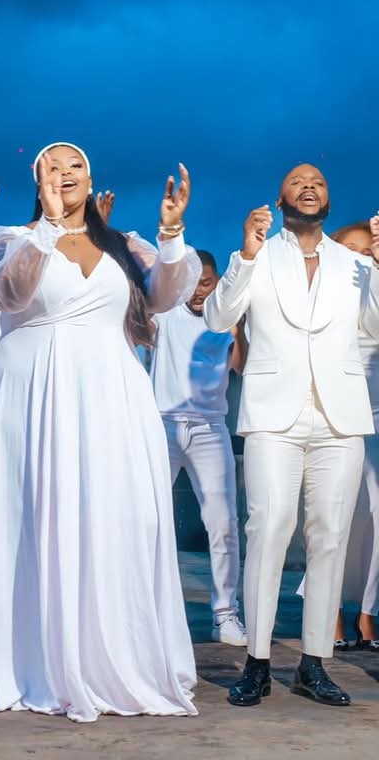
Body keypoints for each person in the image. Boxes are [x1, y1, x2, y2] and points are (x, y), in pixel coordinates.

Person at [0, 141, 201, 723]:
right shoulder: (12, 239)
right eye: (54, 166)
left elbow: (165, 296)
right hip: (30, 392)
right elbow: (9, 293)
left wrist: (172, 233)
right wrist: (47, 227)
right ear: (38, 180)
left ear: (91, 181)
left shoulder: (124, 245)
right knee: (36, 515)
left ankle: (113, 656)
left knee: (120, 516)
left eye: (76, 166)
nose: (65, 173)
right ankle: (38, 661)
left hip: (113, 393)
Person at [204, 164, 379, 708]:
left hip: (339, 416)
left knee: (329, 535)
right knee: (269, 527)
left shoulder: (356, 264)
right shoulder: (256, 257)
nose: (309, 186)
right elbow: (217, 318)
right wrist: (245, 257)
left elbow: (376, 329)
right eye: (298, 181)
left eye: (319, 182)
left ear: (327, 201)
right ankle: (256, 663)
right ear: (279, 200)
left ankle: (313, 664)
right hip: (271, 414)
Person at [149, 249, 247, 645]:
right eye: (191, 283)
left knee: (223, 523)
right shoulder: (165, 312)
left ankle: (225, 615)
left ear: (217, 281)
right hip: (163, 425)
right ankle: (148, 613)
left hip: (210, 428)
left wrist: (239, 330)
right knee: (148, 519)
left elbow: (243, 366)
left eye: (205, 283)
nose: (198, 291)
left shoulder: (225, 316)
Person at [324, 222, 379, 651]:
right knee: (332, 516)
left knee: (377, 519)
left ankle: (368, 612)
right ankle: (330, 613)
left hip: (377, 417)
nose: (359, 258)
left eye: (367, 251)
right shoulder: (322, 295)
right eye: (351, 251)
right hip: (334, 417)